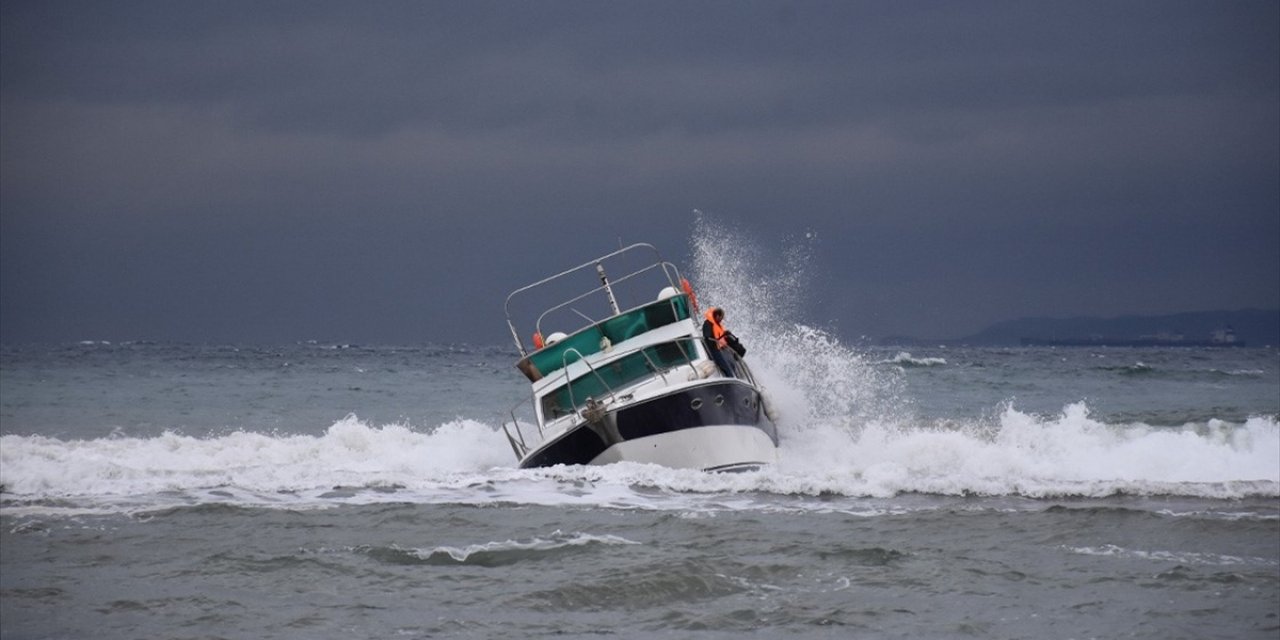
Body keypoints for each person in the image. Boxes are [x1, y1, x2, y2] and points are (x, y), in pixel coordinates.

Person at [702, 307, 746, 377]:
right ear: (717, 316)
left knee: (732, 364)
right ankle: (731, 379)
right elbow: (708, 338)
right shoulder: (707, 324)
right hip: (714, 350)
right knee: (727, 369)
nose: (721, 320)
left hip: (721, 349)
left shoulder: (716, 324)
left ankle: (737, 376)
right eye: (721, 318)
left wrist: (726, 335)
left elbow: (719, 337)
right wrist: (720, 338)